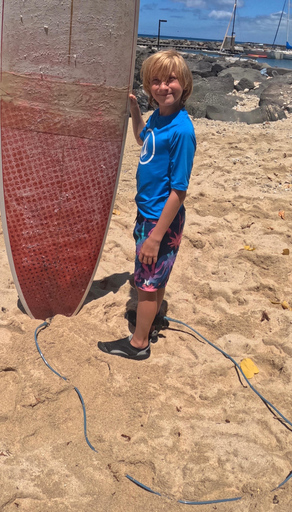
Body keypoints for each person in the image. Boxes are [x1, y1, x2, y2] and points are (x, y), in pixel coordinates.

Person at [97, 50, 196, 361]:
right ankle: (150, 321)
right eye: (156, 81)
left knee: (147, 286)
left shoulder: (182, 131)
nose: (164, 87)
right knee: (155, 279)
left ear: (185, 84)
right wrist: (134, 111)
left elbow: (179, 191)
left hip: (160, 220)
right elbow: (143, 138)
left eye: (171, 80)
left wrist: (154, 237)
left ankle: (139, 343)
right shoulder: (159, 118)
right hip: (149, 214)